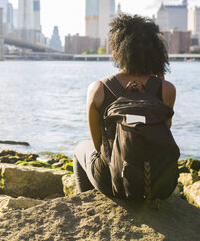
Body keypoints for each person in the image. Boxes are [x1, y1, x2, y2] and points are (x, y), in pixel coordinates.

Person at [73, 14, 176, 196]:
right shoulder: (167, 89)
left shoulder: (98, 89)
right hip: (158, 183)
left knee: (81, 148)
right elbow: (164, 131)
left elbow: (98, 146)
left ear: (117, 53)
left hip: (112, 182)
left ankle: (86, 203)